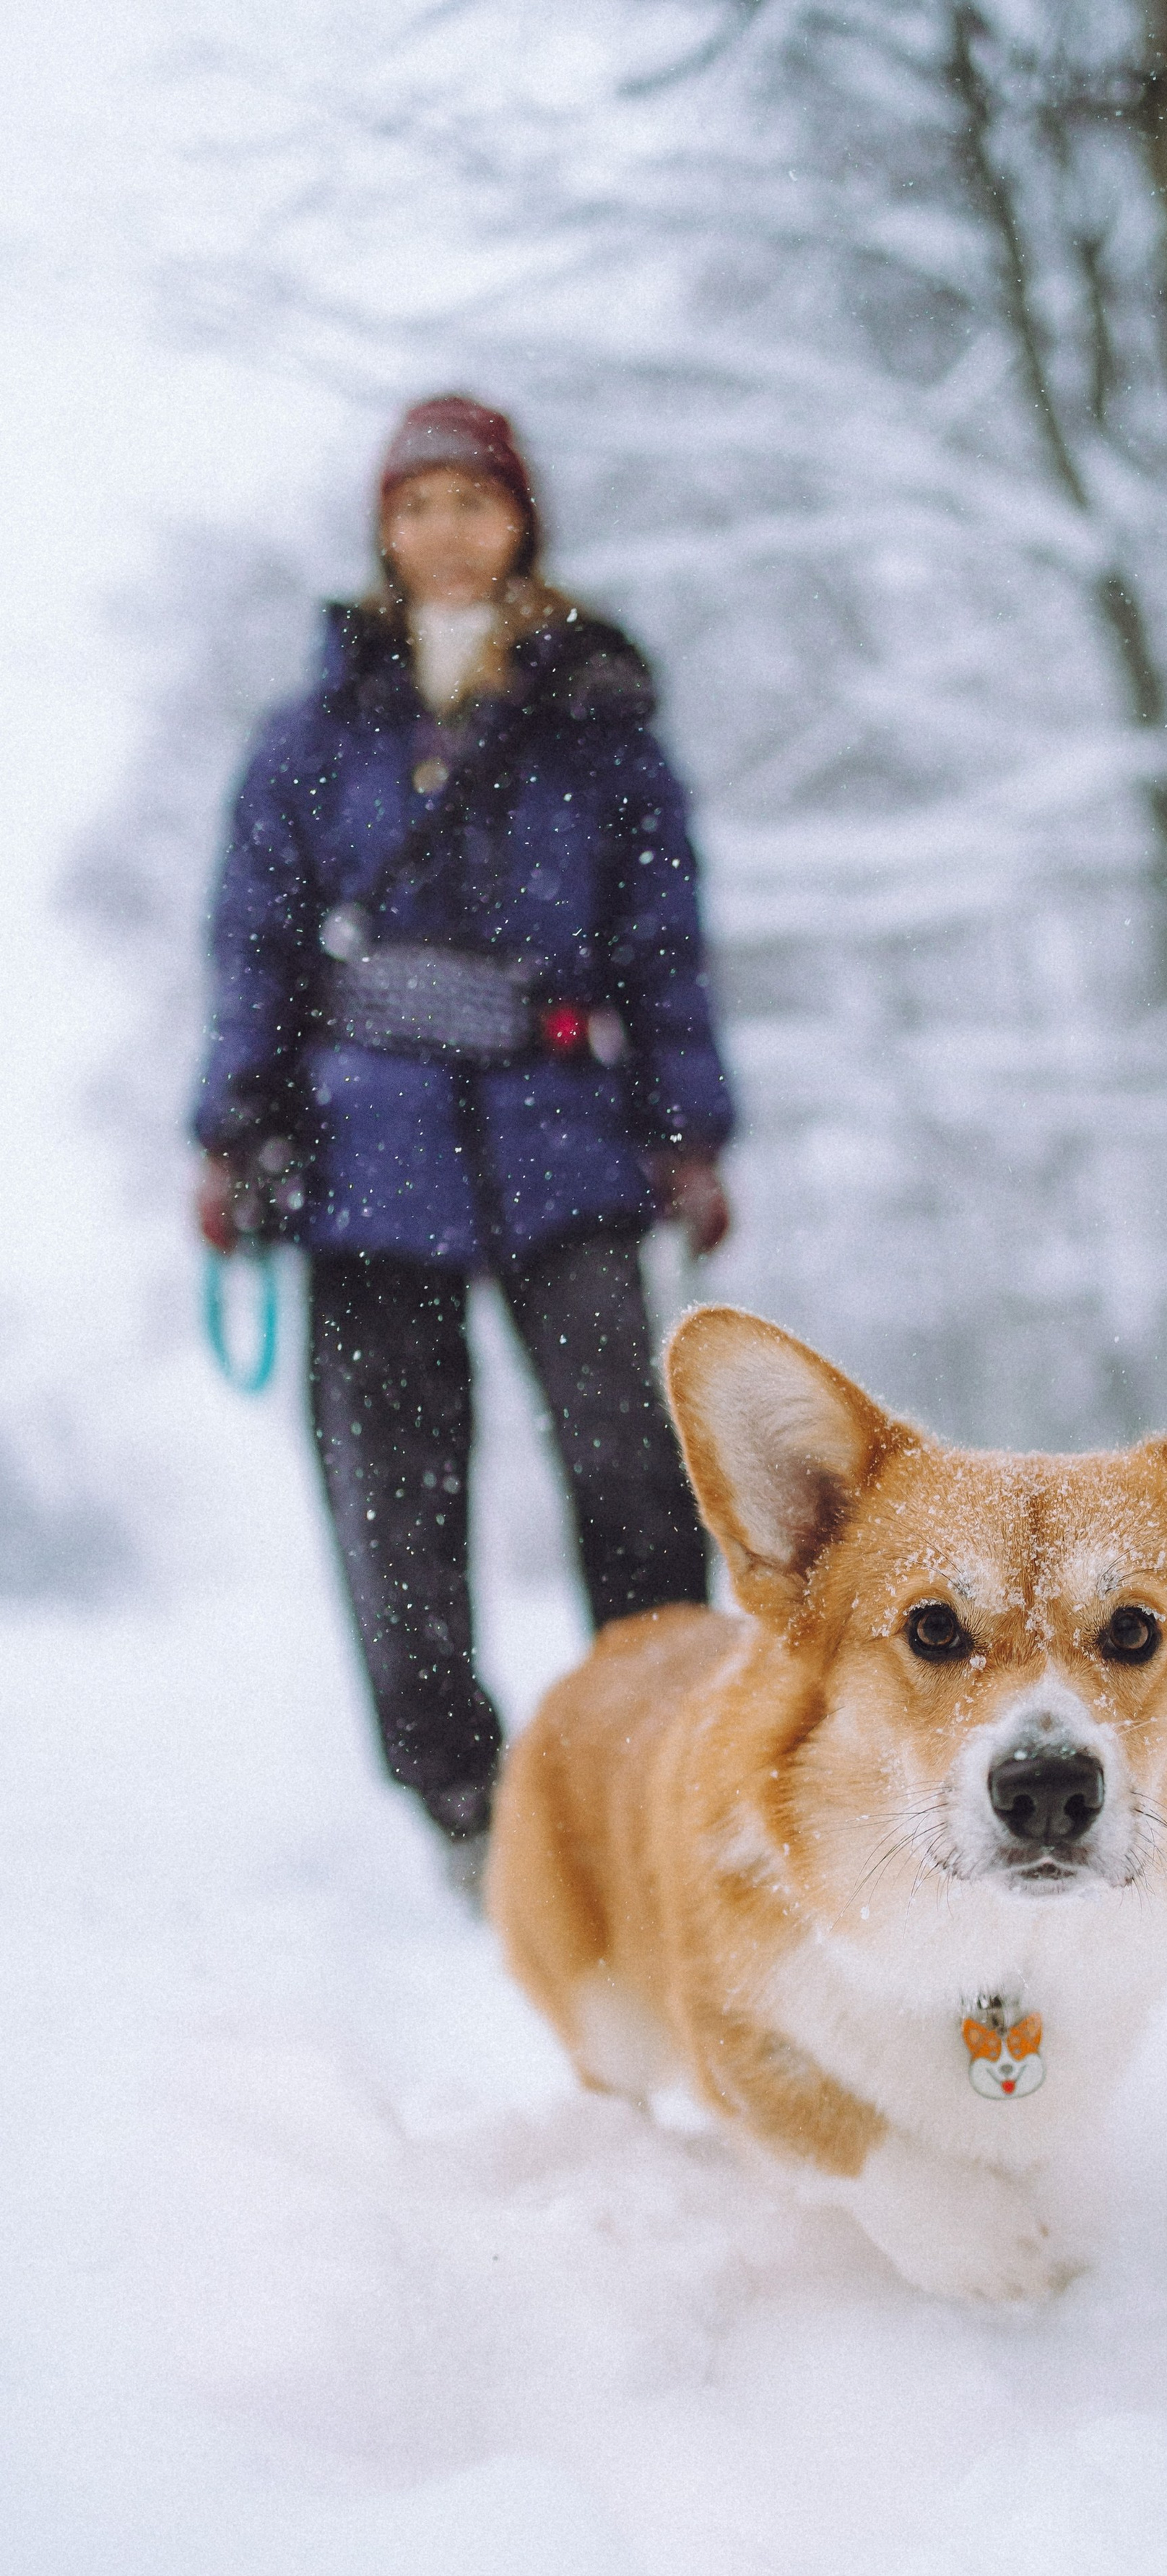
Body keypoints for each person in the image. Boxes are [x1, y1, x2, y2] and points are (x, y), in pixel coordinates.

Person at [194, 394, 734, 1901]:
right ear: (386, 526)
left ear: (518, 524)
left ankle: (650, 1758)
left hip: (562, 1137)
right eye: (418, 504)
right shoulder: (309, 738)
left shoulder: (599, 718)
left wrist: (687, 1133)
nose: (445, 531)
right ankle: (462, 1799)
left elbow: (664, 945)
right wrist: (235, 1130)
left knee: (631, 1463)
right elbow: (254, 945)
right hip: (364, 1155)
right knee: (392, 1487)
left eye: (472, 503)